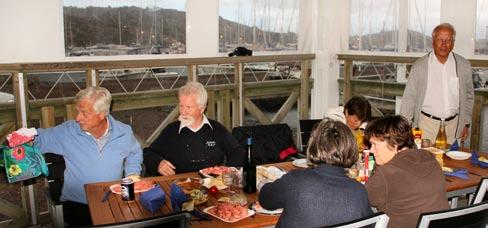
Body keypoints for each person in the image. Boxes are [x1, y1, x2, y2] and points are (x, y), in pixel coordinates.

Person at [33, 86, 143, 226]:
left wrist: (132, 173)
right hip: (78, 205)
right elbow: (40, 139)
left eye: (84, 113)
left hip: (114, 200)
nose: (78, 118)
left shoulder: (123, 132)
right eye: (78, 111)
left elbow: (134, 153)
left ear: (102, 114)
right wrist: (25, 138)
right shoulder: (68, 132)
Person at [258, 119, 373, 227]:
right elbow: (370, 223)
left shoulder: (296, 180)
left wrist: (261, 183)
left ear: (313, 146)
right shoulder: (359, 191)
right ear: (351, 149)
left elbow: (265, 200)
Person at [364, 115, 449, 228]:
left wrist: (379, 165)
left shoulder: (386, 173)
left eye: (375, 144)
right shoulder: (429, 157)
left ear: (394, 144)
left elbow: (367, 198)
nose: (371, 150)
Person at [143, 81, 245, 176]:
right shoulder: (171, 131)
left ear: (202, 109)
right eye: (181, 106)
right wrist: (158, 163)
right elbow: (149, 153)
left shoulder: (217, 129)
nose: (183, 112)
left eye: (188, 107)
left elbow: (238, 152)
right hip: (180, 186)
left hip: (212, 185)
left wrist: (228, 170)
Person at [400, 23, 474, 145]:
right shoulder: (420, 66)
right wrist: (405, 129)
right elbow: (409, 99)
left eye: (448, 40)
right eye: (440, 40)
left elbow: (469, 96)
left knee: (451, 163)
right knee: (424, 162)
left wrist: (465, 123)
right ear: (433, 41)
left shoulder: (463, 65)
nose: (444, 44)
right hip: (426, 126)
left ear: (453, 43)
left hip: (454, 128)